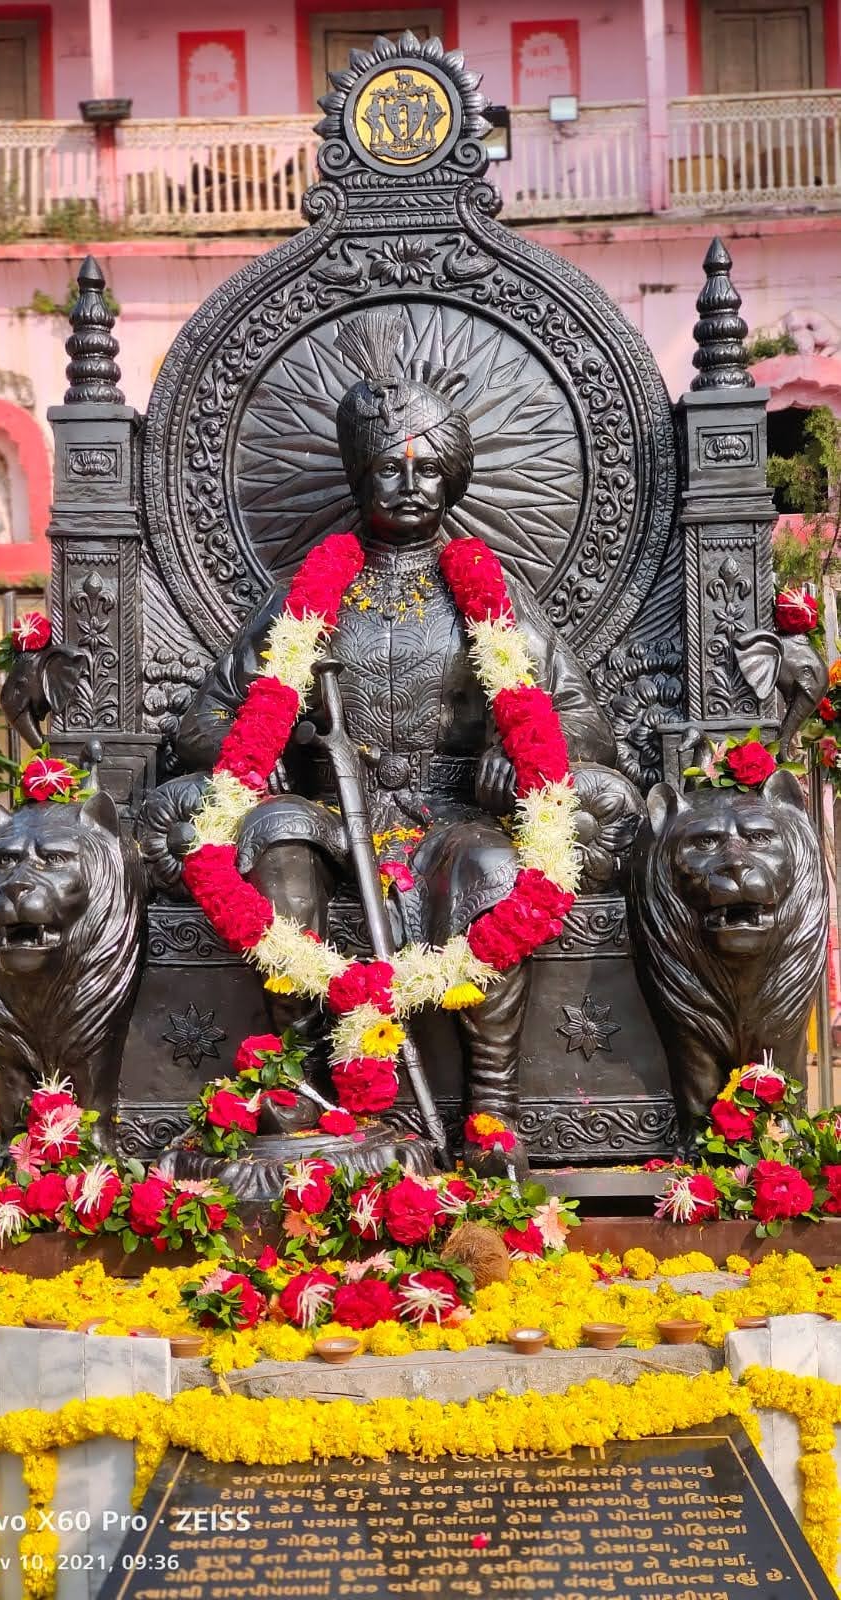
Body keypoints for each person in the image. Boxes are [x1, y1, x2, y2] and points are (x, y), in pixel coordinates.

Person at [171, 311, 616, 1139]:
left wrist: (509, 753)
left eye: (426, 468)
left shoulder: (491, 595)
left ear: (452, 481)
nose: (408, 484)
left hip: (451, 819)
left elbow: (583, 721)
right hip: (333, 813)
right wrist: (264, 751)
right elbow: (206, 718)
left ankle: (492, 1115)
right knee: (272, 835)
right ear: (357, 478)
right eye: (387, 467)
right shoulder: (307, 595)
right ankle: (291, 1087)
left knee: (489, 866)